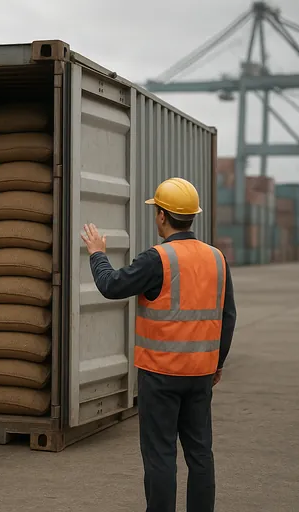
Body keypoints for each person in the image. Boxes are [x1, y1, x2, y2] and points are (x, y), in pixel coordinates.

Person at [80, 177, 236, 512]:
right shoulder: (217, 258)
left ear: (162, 216)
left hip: (161, 376)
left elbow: (111, 285)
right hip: (200, 375)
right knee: (200, 454)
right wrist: (218, 363)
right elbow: (228, 316)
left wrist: (97, 254)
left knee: (161, 454)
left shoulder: (157, 259)